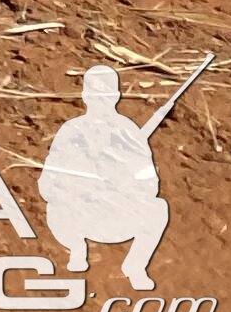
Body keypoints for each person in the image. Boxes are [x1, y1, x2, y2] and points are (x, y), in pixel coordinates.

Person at [39, 66, 171, 290]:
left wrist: (123, 186)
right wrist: (75, 189)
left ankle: (135, 266)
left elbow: (149, 183)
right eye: (94, 94)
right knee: (55, 207)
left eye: (106, 94)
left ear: (116, 96)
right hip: (78, 214)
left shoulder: (128, 133)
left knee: (158, 208)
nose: (99, 101)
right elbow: (47, 182)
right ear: (85, 95)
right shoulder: (71, 131)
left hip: (116, 214)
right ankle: (77, 249)